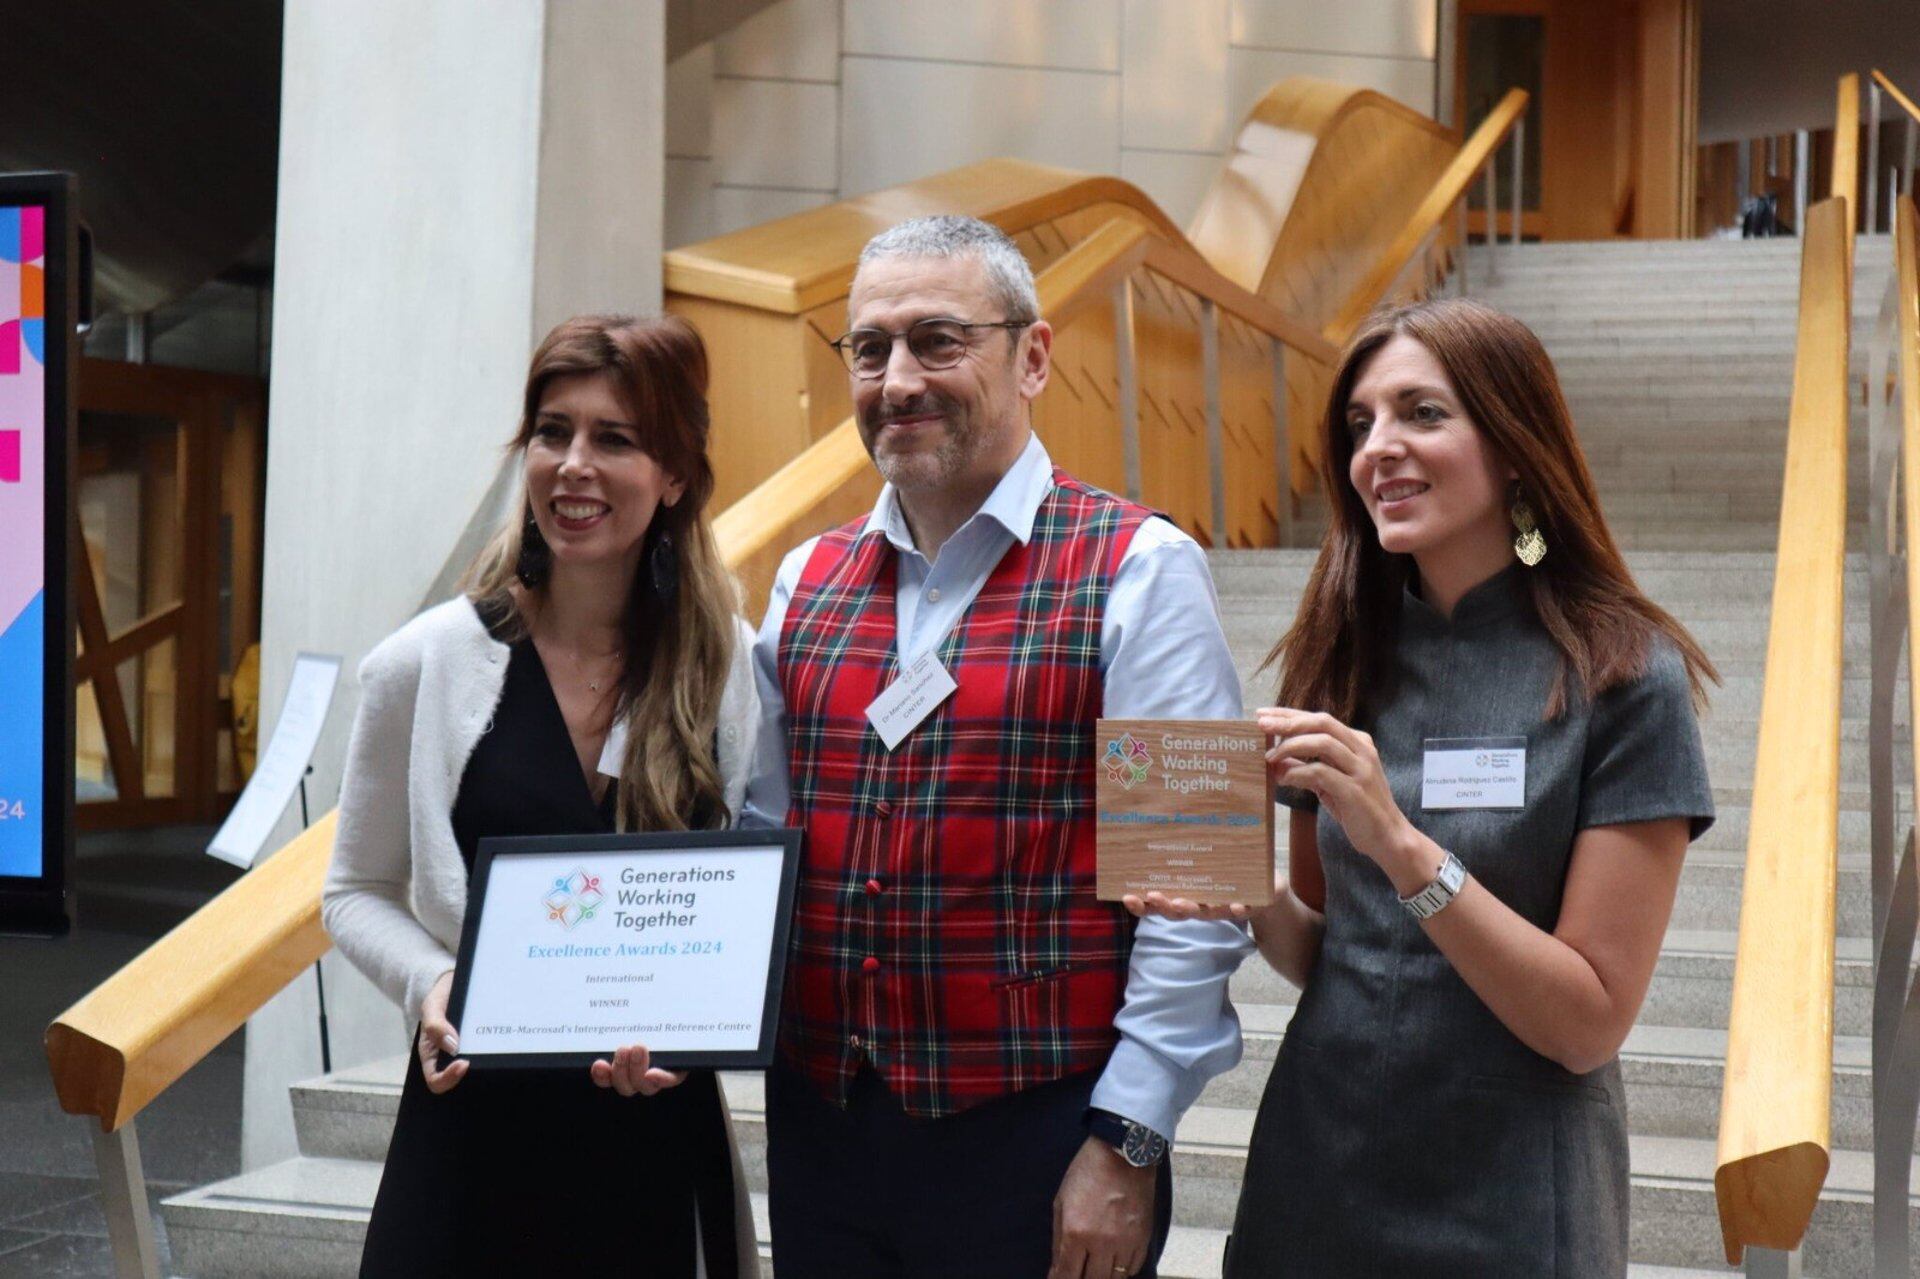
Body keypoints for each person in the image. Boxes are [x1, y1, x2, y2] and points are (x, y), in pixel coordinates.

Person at [1134, 297, 1717, 1276]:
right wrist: (1249, 897)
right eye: (1361, 424)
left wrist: (1402, 845)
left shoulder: (1623, 674)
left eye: (1422, 413)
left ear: (1517, 442)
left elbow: (1587, 1022)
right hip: (1318, 1167)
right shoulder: (1343, 658)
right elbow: (1338, 954)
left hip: (1515, 1191)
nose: (1379, 449)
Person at [741, 214, 1253, 1279]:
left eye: (938, 340)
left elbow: (1197, 886)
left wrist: (1129, 1141)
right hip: (826, 1129)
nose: (897, 379)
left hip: (1044, 1134)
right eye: (870, 348)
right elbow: (757, 853)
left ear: (1033, 358)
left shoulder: (1143, 569)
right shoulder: (803, 581)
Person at [322, 314, 761, 1277]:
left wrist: (696, 1026)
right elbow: (353, 890)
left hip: (654, 1138)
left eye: (616, 438)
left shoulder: (728, 669)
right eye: (552, 432)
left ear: (677, 476)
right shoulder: (423, 665)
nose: (573, 465)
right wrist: (432, 982)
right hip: (471, 1132)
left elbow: (737, 895)